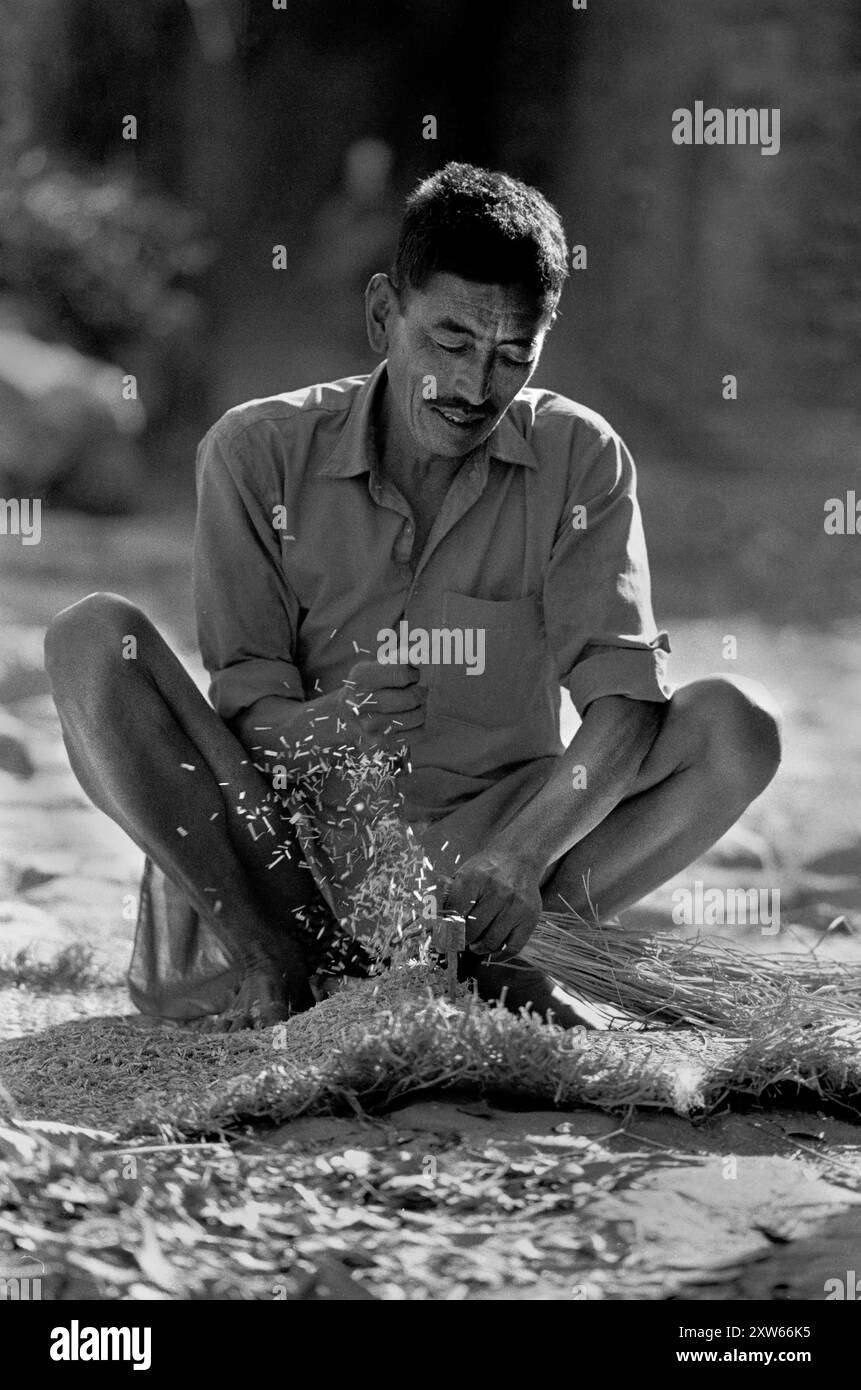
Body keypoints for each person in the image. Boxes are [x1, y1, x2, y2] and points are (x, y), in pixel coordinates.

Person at [44, 162, 781, 1033]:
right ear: (381, 315)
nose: (475, 388)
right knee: (94, 639)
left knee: (732, 730)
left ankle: (493, 957)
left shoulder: (581, 456)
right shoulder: (253, 452)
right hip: (282, 861)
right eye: (450, 342)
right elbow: (243, 709)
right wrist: (331, 726)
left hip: (488, 875)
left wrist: (519, 853)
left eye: (514, 354)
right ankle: (265, 960)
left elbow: (624, 704)